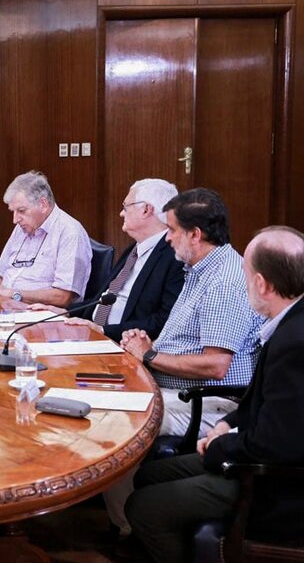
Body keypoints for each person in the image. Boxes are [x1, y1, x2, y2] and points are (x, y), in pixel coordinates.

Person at [125, 226, 304, 563]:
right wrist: (226, 423)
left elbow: (278, 443)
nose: (242, 283)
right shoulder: (287, 322)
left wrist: (221, 445)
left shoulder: (294, 342)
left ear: (262, 284)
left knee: (143, 507)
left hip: (273, 485)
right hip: (254, 453)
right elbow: (263, 401)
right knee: (149, 474)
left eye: (245, 275)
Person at [121, 187, 263, 436]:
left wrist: (150, 355)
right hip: (174, 392)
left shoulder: (223, 283)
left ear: (195, 235)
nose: (167, 238)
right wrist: (147, 344)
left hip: (208, 404)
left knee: (118, 422)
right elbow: (187, 342)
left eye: (172, 230)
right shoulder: (198, 269)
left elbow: (216, 366)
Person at [32, 178, 185, 343]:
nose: (121, 213)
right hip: (95, 336)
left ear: (146, 210)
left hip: (123, 344)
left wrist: (104, 331)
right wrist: (64, 312)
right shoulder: (134, 249)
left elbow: (165, 321)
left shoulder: (175, 255)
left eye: (126, 207)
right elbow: (104, 299)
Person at [0, 171, 91, 307]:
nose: (15, 220)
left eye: (21, 211)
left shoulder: (70, 233)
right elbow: (3, 276)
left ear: (43, 204)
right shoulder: (22, 227)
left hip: (42, 315)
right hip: (6, 307)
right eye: (13, 211)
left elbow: (63, 297)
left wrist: (11, 293)